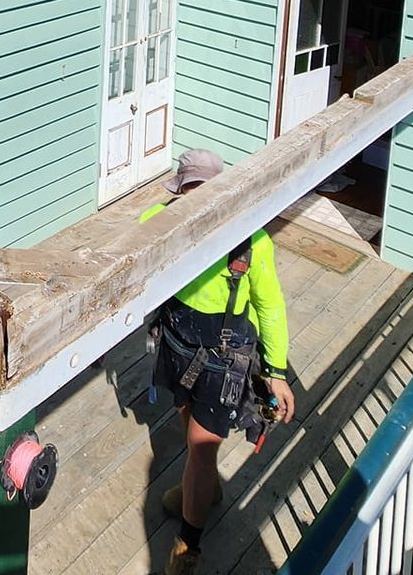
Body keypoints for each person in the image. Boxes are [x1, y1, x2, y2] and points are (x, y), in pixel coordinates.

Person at [142, 148, 295, 575]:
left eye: (204, 194)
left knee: (201, 447)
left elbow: (271, 308)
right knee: (186, 425)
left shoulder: (252, 242)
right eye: (189, 194)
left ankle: (187, 546)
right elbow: (127, 249)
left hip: (222, 360)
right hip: (179, 344)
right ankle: (204, 492)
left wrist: (277, 373)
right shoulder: (163, 220)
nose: (197, 204)